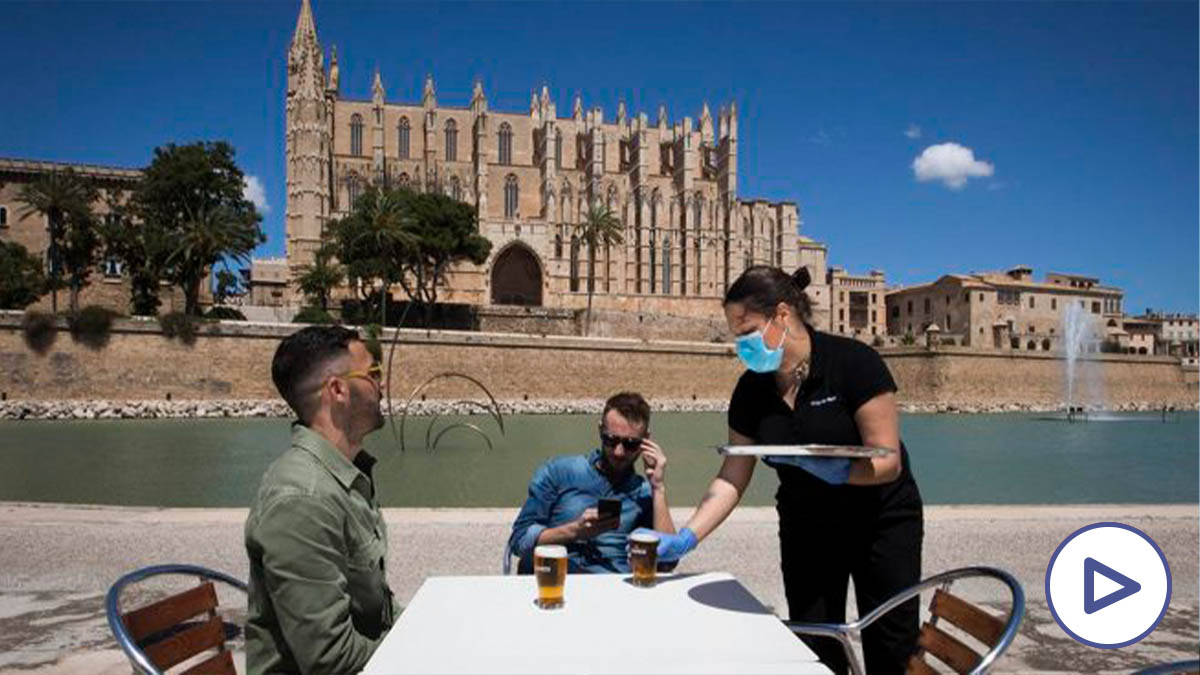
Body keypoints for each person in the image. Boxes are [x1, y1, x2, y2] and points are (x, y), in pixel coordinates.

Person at [637, 266, 924, 675]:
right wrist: (688, 536)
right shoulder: (751, 390)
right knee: (815, 639)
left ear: (783, 316)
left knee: (889, 642)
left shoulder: (854, 363)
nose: (741, 343)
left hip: (880, 519)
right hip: (806, 524)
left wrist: (841, 472)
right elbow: (732, 475)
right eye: (736, 335)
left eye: (747, 330)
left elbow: (887, 462)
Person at [245, 326, 396, 675]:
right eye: (373, 374)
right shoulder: (303, 501)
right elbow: (331, 660)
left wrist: (432, 626)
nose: (381, 385)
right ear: (338, 389)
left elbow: (377, 612)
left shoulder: (343, 477)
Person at [508, 392, 674, 573]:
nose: (619, 452)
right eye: (611, 440)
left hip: (611, 588)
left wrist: (658, 486)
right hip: (557, 578)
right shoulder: (559, 471)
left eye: (630, 444)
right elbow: (518, 541)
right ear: (600, 430)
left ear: (646, 441)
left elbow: (668, 562)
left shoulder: (643, 492)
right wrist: (574, 531)